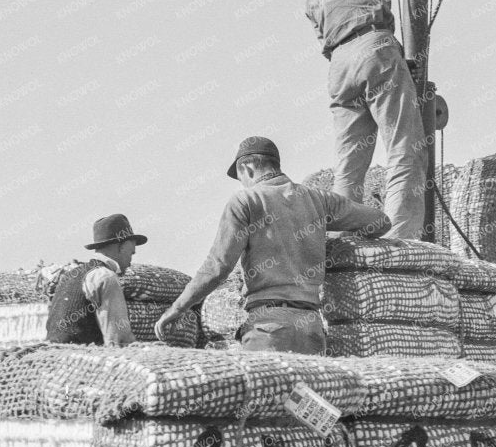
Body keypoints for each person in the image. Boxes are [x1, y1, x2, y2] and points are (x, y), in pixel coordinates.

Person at [296, 0, 469, 240]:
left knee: (348, 167)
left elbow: (328, 42)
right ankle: (401, 240)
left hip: (339, 71)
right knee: (404, 146)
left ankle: (342, 240)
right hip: (373, 47)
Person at [156, 136, 389, 354]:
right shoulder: (318, 199)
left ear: (246, 168)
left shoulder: (246, 200)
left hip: (268, 328)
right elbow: (380, 222)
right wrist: (330, 238)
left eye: (241, 179)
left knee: (266, 398)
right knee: (306, 397)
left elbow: (217, 267)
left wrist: (176, 310)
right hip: (311, 328)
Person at [45, 214, 146, 346]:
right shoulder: (105, 277)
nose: (131, 261)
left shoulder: (69, 275)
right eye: (131, 253)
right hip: (84, 361)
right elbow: (118, 340)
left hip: (53, 357)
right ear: (122, 246)